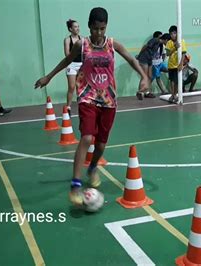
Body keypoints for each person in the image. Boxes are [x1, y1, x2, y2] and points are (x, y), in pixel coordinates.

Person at [34, 7, 149, 206]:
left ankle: (92, 167)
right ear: (89, 27)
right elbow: (67, 61)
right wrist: (49, 77)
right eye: (95, 29)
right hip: (87, 97)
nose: (99, 33)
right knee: (87, 137)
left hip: (108, 100)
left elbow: (131, 59)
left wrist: (144, 77)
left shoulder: (112, 44)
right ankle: (75, 185)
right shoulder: (82, 44)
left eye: (102, 29)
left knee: (101, 144)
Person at [136, 31, 170, 99]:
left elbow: (153, 53)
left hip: (149, 60)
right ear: (166, 40)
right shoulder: (155, 40)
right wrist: (139, 55)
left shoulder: (160, 45)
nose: (169, 43)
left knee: (150, 76)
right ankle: (141, 92)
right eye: (168, 42)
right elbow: (145, 46)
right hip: (144, 58)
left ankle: (146, 92)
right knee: (145, 76)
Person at [64, 19, 82, 116]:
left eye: (78, 26)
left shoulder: (82, 39)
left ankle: (82, 106)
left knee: (79, 87)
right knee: (71, 87)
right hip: (71, 64)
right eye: (75, 27)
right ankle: (68, 107)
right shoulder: (67, 40)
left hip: (81, 64)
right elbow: (67, 54)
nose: (77, 28)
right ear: (70, 29)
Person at [165, 25, 187, 103]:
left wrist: (181, 64)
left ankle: (175, 94)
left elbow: (184, 53)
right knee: (171, 81)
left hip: (177, 65)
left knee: (177, 81)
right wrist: (174, 47)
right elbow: (167, 54)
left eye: (174, 33)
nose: (172, 35)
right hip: (171, 65)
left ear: (177, 33)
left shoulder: (182, 41)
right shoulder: (169, 43)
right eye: (171, 34)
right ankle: (173, 94)